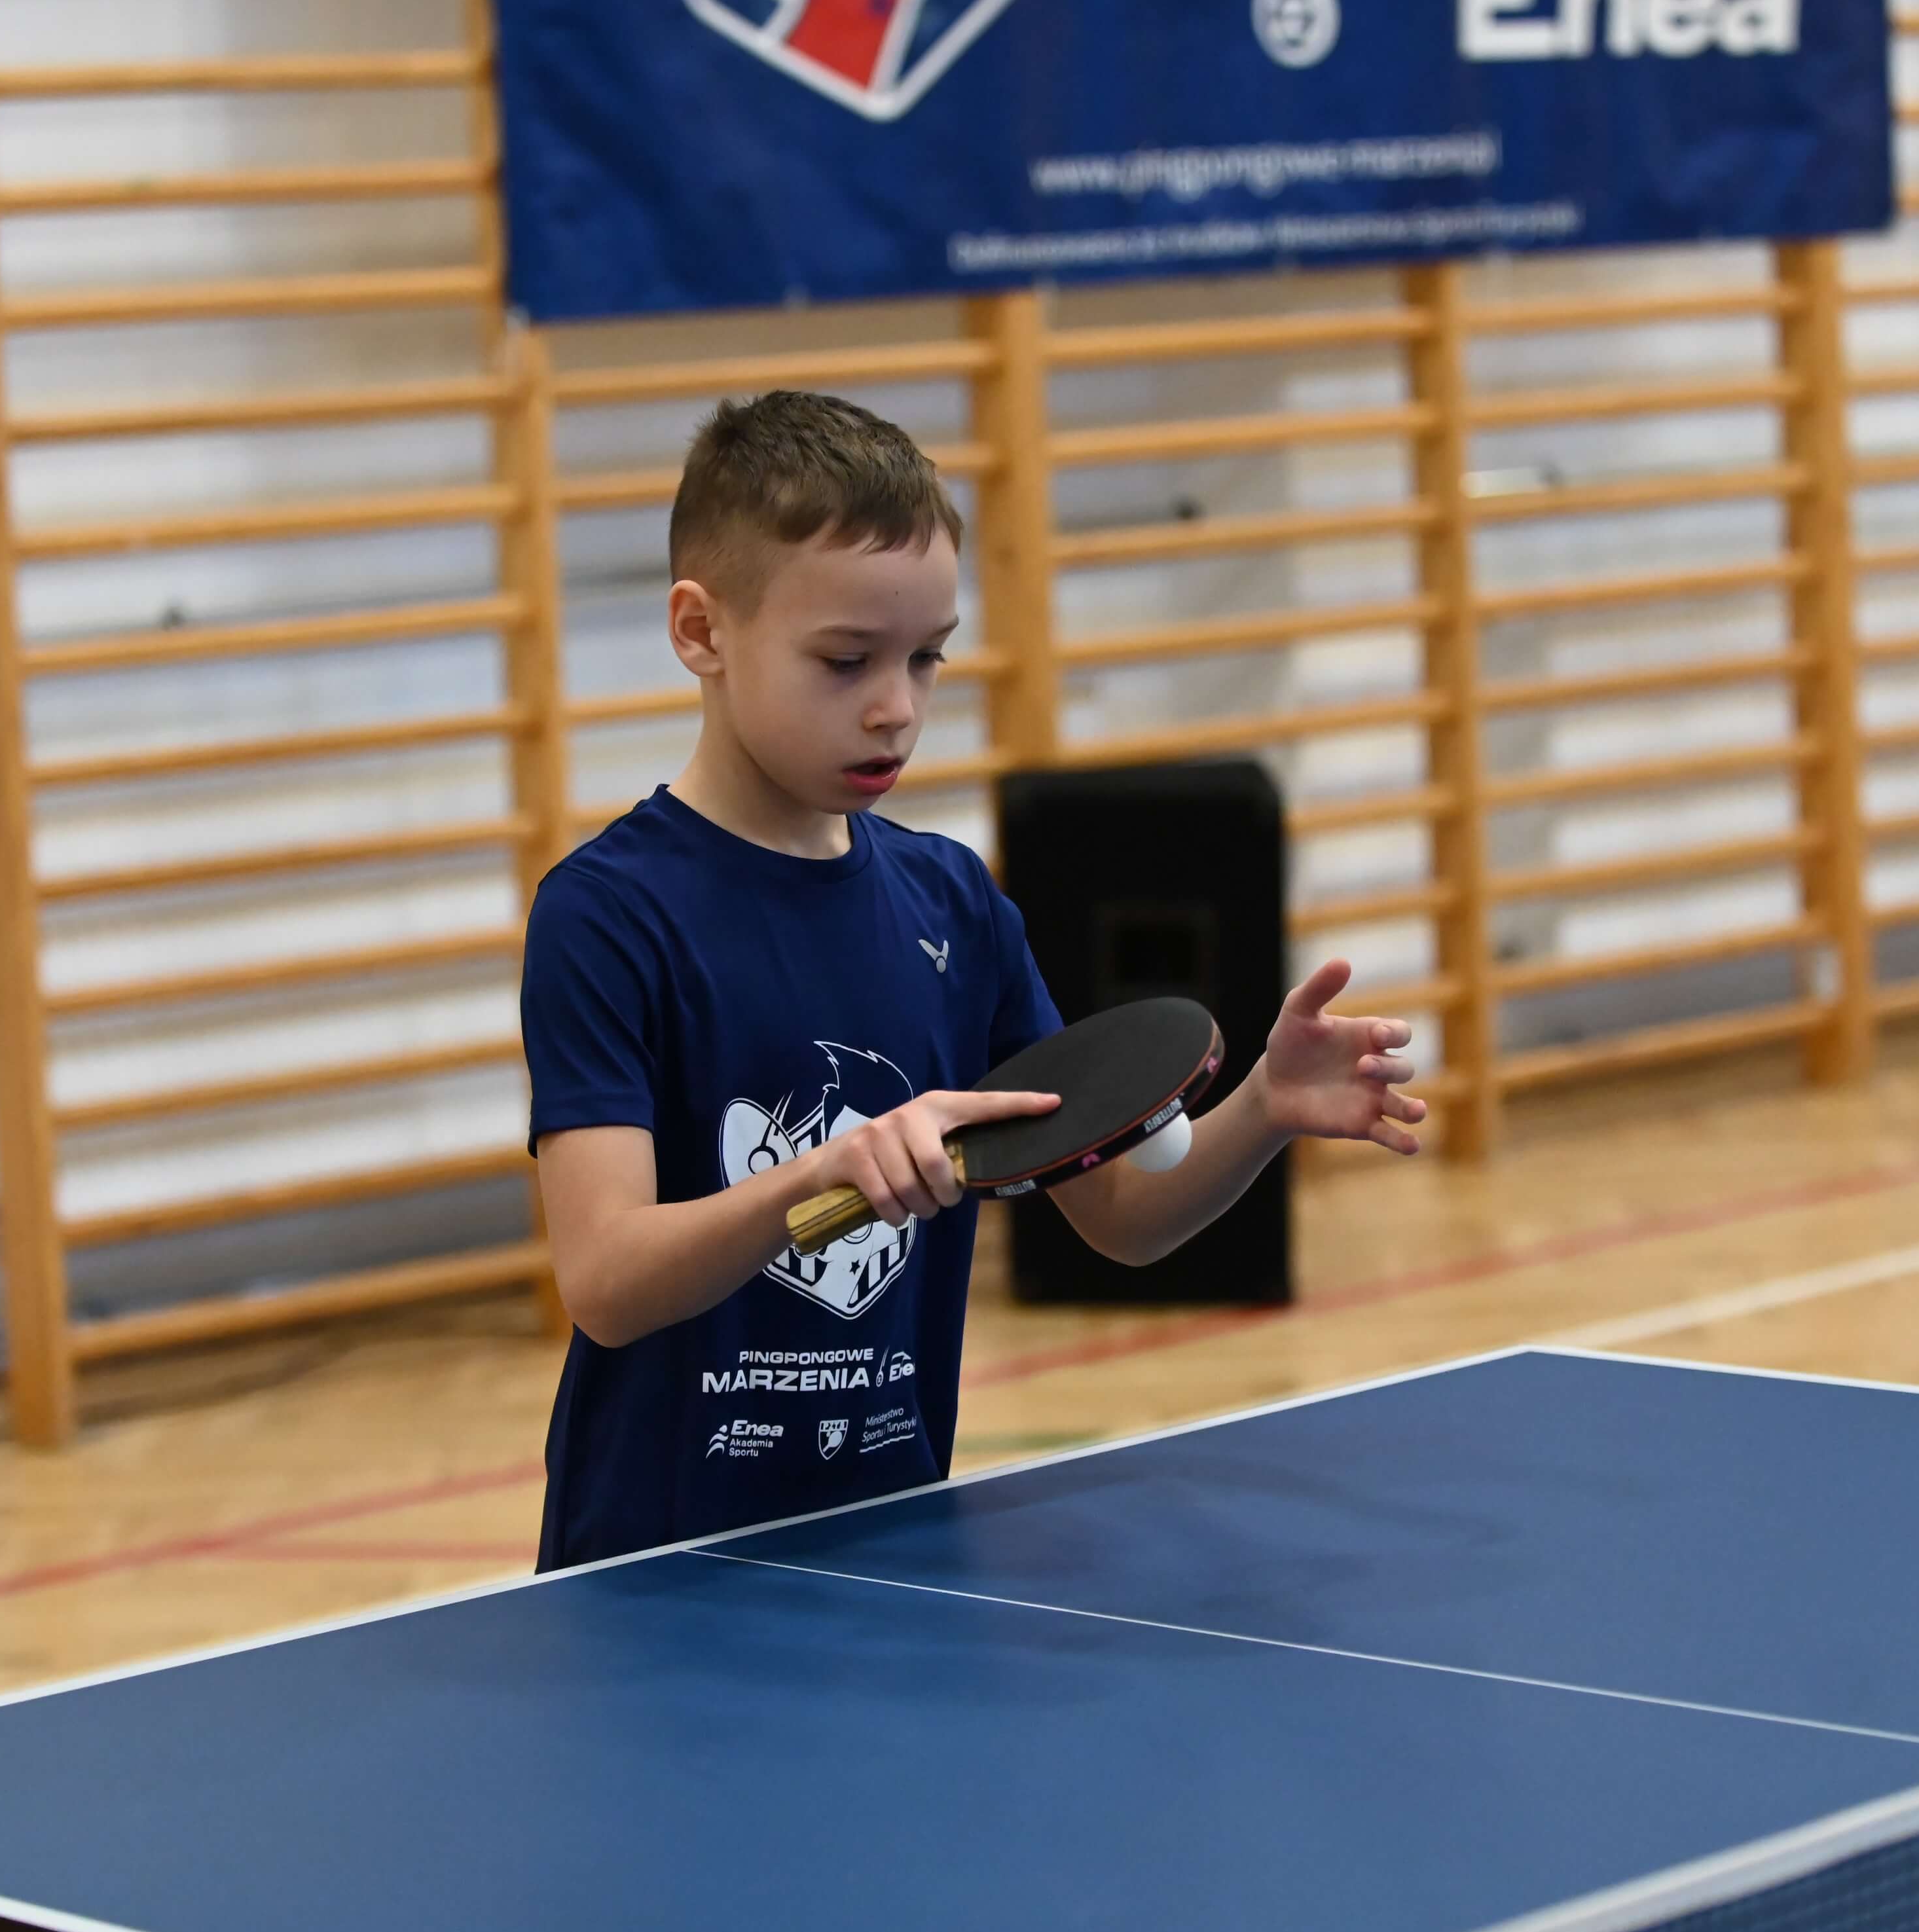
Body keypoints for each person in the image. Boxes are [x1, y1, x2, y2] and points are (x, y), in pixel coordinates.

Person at [521, 390, 1426, 1571]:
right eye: (844, 660)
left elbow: (1120, 1218)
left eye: (925, 657)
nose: (896, 708)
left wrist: (1262, 1108)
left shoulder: (953, 906)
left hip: (892, 1540)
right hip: (652, 1569)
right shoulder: (607, 915)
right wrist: (823, 1179)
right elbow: (604, 1280)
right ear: (701, 632)